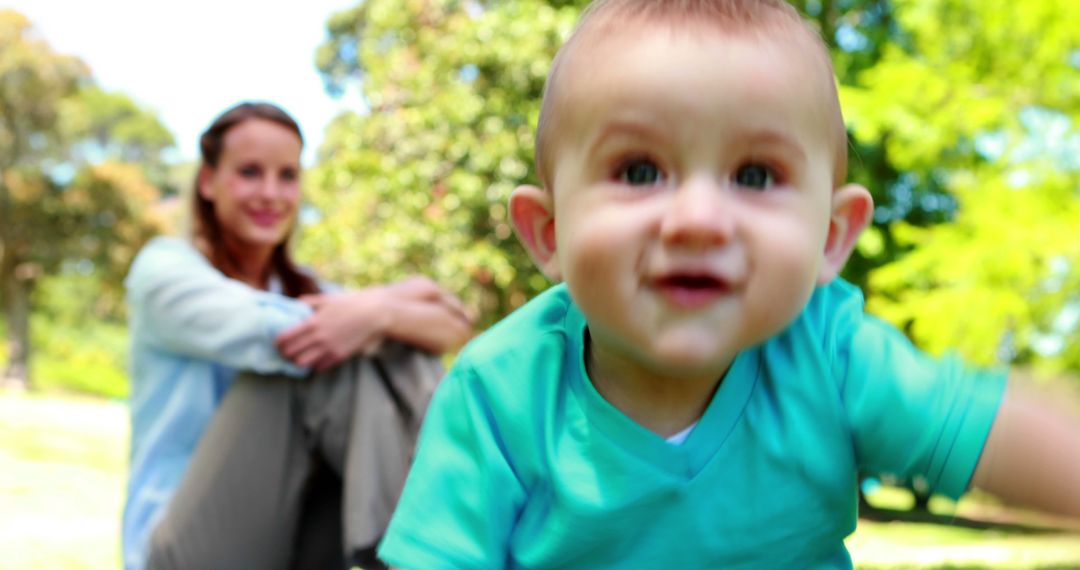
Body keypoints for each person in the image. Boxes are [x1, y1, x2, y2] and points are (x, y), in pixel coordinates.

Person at [377, 0, 1080, 567]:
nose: (699, 220)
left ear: (831, 238)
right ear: (549, 232)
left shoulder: (830, 356)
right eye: (640, 171)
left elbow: (998, 434)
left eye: (754, 176)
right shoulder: (500, 392)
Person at [121, 101, 473, 570]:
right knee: (325, 360)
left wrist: (381, 311)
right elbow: (296, 335)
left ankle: (433, 540)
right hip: (181, 549)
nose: (271, 193)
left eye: (287, 176)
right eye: (249, 172)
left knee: (387, 347)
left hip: (288, 538)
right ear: (207, 182)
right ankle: (427, 546)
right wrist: (391, 305)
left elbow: (454, 326)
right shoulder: (165, 271)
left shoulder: (307, 290)